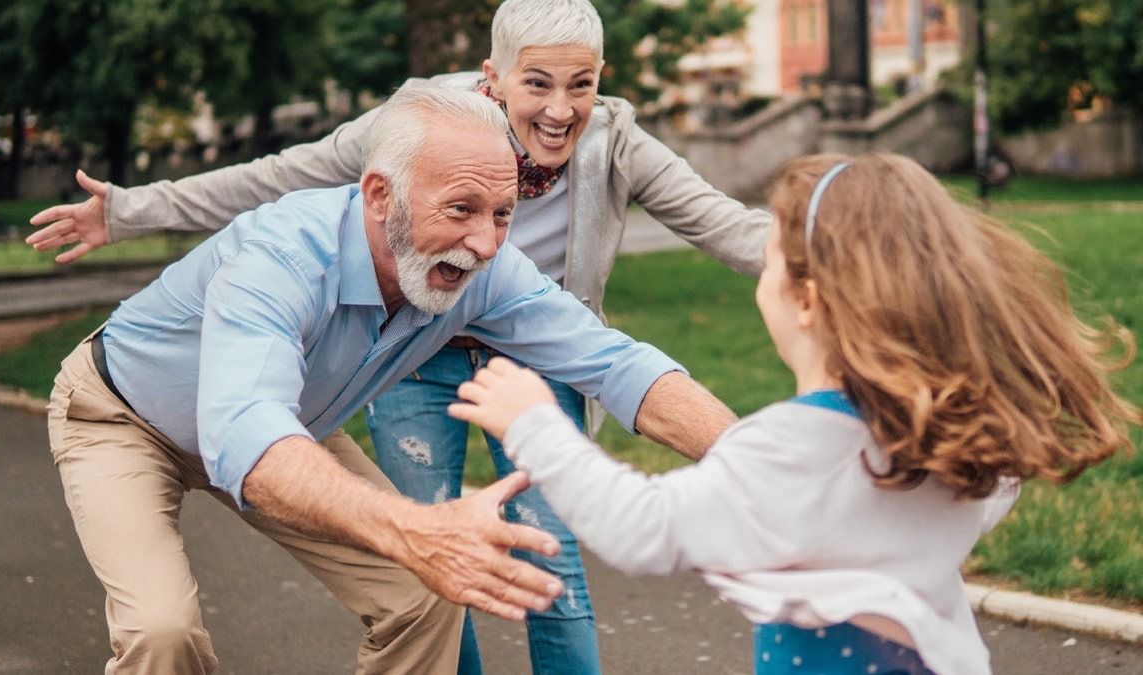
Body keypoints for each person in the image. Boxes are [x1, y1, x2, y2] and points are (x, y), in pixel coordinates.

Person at [27, 1, 769, 672]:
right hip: (126, 418)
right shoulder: (283, 257)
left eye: (504, 215)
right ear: (380, 194)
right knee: (165, 630)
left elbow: (617, 365)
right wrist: (415, 529)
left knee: (428, 594)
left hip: (292, 421)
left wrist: (762, 465)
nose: (484, 244)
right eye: (461, 210)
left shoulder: (489, 263)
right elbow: (245, 433)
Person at [448, 153, 1142, 675]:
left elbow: (641, 528)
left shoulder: (791, 448)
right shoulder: (954, 438)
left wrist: (537, 422)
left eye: (769, 259)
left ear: (806, 299)